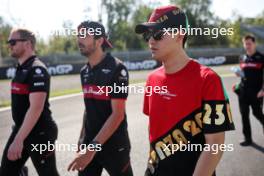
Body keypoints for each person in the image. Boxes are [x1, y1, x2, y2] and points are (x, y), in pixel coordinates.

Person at [135, 5, 235, 176]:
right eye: (148, 34)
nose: (151, 41)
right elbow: (154, 131)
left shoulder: (208, 79)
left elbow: (215, 145)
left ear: (179, 34)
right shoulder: (152, 79)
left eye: (158, 34)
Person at [67, 21, 133, 176]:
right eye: (78, 35)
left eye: (84, 35)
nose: (79, 39)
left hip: (115, 146)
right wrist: (82, 142)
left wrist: (91, 150)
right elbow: (88, 111)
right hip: (89, 144)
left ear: (99, 40)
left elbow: (117, 115)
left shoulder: (117, 69)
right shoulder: (84, 71)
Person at [0, 29, 59, 176]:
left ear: (27, 44)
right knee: (6, 172)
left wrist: (18, 140)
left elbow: (36, 108)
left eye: (13, 42)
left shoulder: (37, 69)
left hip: (40, 133)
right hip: (21, 129)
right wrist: (19, 135)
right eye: (9, 43)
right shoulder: (21, 68)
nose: (9, 45)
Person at [236, 34, 264, 146]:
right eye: (245, 44)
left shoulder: (261, 58)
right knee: (244, 115)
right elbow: (243, 74)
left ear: (254, 44)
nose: (247, 46)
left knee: (257, 113)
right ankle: (248, 139)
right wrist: (238, 76)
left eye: (249, 43)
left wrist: (263, 90)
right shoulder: (242, 58)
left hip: (257, 93)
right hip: (243, 92)